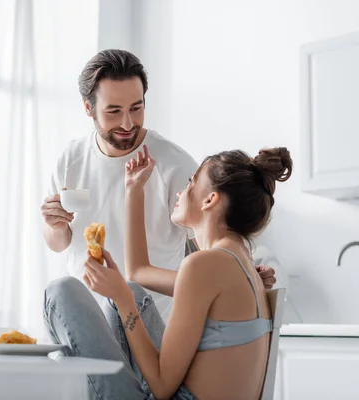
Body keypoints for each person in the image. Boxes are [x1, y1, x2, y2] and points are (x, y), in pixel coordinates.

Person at [40, 49, 276, 318]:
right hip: (86, 316)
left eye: (136, 108)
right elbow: (59, 244)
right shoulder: (70, 160)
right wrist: (54, 225)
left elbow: (214, 237)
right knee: (59, 295)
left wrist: (244, 274)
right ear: (88, 108)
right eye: (114, 111)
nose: (128, 123)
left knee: (58, 293)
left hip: (151, 319)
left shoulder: (174, 164)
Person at [43, 145, 293, 400]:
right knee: (132, 290)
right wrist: (134, 189)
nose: (180, 192)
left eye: (190, 183)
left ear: (210, 200)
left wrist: (121, 297)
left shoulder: (203, 265)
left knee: (61, 292)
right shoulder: (237, 264)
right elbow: (138, 272)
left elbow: (162, 387)